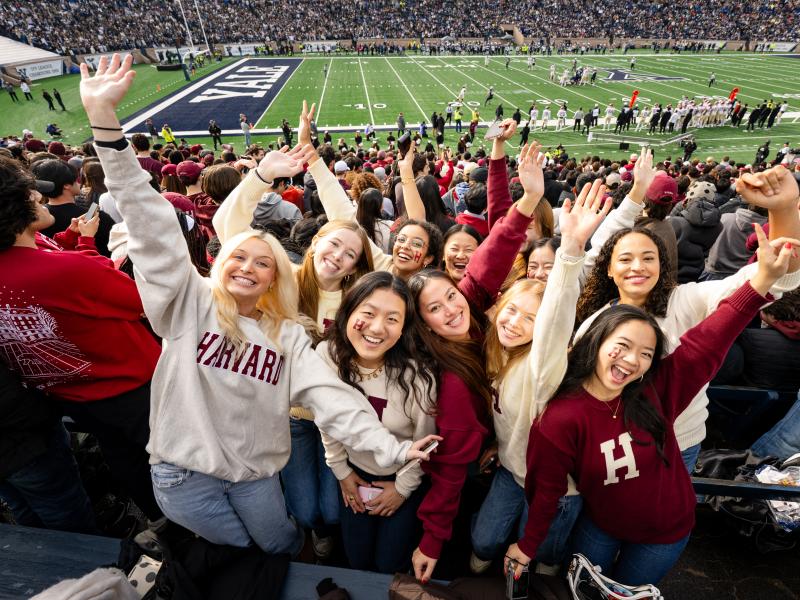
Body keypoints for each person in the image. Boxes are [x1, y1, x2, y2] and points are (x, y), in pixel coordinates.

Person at [79, 54, 440, 555]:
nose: (248, 267)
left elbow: (333, 398)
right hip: (186, 473)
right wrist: (106, 127)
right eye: (238, 257)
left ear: (277, 277)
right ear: (221, 261)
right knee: (237, 554)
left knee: (282, 545)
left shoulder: (287, 333)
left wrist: (395, 450)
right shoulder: (187, 303)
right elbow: (150, 219)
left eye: (262, 262)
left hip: (256, 472)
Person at [505, 223, 797, 585]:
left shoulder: (657, 392)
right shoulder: (560, 419)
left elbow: (708, 340)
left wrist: (760, 283)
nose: (632, 360)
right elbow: (546, 491)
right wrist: (528, 545)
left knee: (631, 592)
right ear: (595, 341)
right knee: (582, 590)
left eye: (646, 354)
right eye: (622, 346)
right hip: (601, 524)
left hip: (665, 532)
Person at [575, 161, 800, 477]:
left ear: (662, 265)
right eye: (625, 258)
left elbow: (771, 279)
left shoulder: (687, 300)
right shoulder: (593, 323)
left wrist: (784, 209)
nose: (637, 266)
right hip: (613, 448)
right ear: (609, 270)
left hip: (679, 445)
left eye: (648, 257)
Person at [470, 177, 613, 575]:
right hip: (512, 469)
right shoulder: (496, 352)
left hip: (559, 488)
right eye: (512, 311)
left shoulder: (543, 362)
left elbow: (555, 318)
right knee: (483, 542)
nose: (515, 323)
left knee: (543, 558)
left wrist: (570, 251)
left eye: (530, 318)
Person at [319, 272, 437, 573]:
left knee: (389, 563)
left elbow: (427, 444)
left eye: (392, 319)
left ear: (404, 328)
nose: (376, 328)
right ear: (348, 313)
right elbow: (327, 419)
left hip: (402, 477)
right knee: (356, 558)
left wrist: (402, 489)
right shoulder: (327, 356)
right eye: (368, 313)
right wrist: (342, 472)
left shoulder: (418, 377)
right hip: (353, 473)